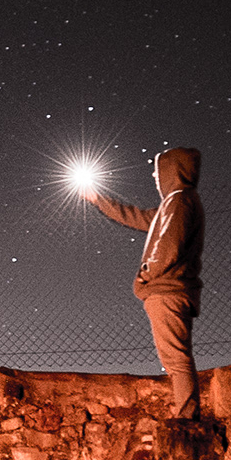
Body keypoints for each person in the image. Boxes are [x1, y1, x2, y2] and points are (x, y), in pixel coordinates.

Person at [82, 146, 206, 415]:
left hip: (168, 289)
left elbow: (169, 244)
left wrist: (146, 275)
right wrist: (98, 200)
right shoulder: (174, 204)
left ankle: (188, 418)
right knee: (174, 358)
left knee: (176, 359)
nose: (154, 175)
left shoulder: (180, 201)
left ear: (172, 171)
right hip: (170, 288)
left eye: (158, 170)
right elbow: (137, 217)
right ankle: (187, 414)